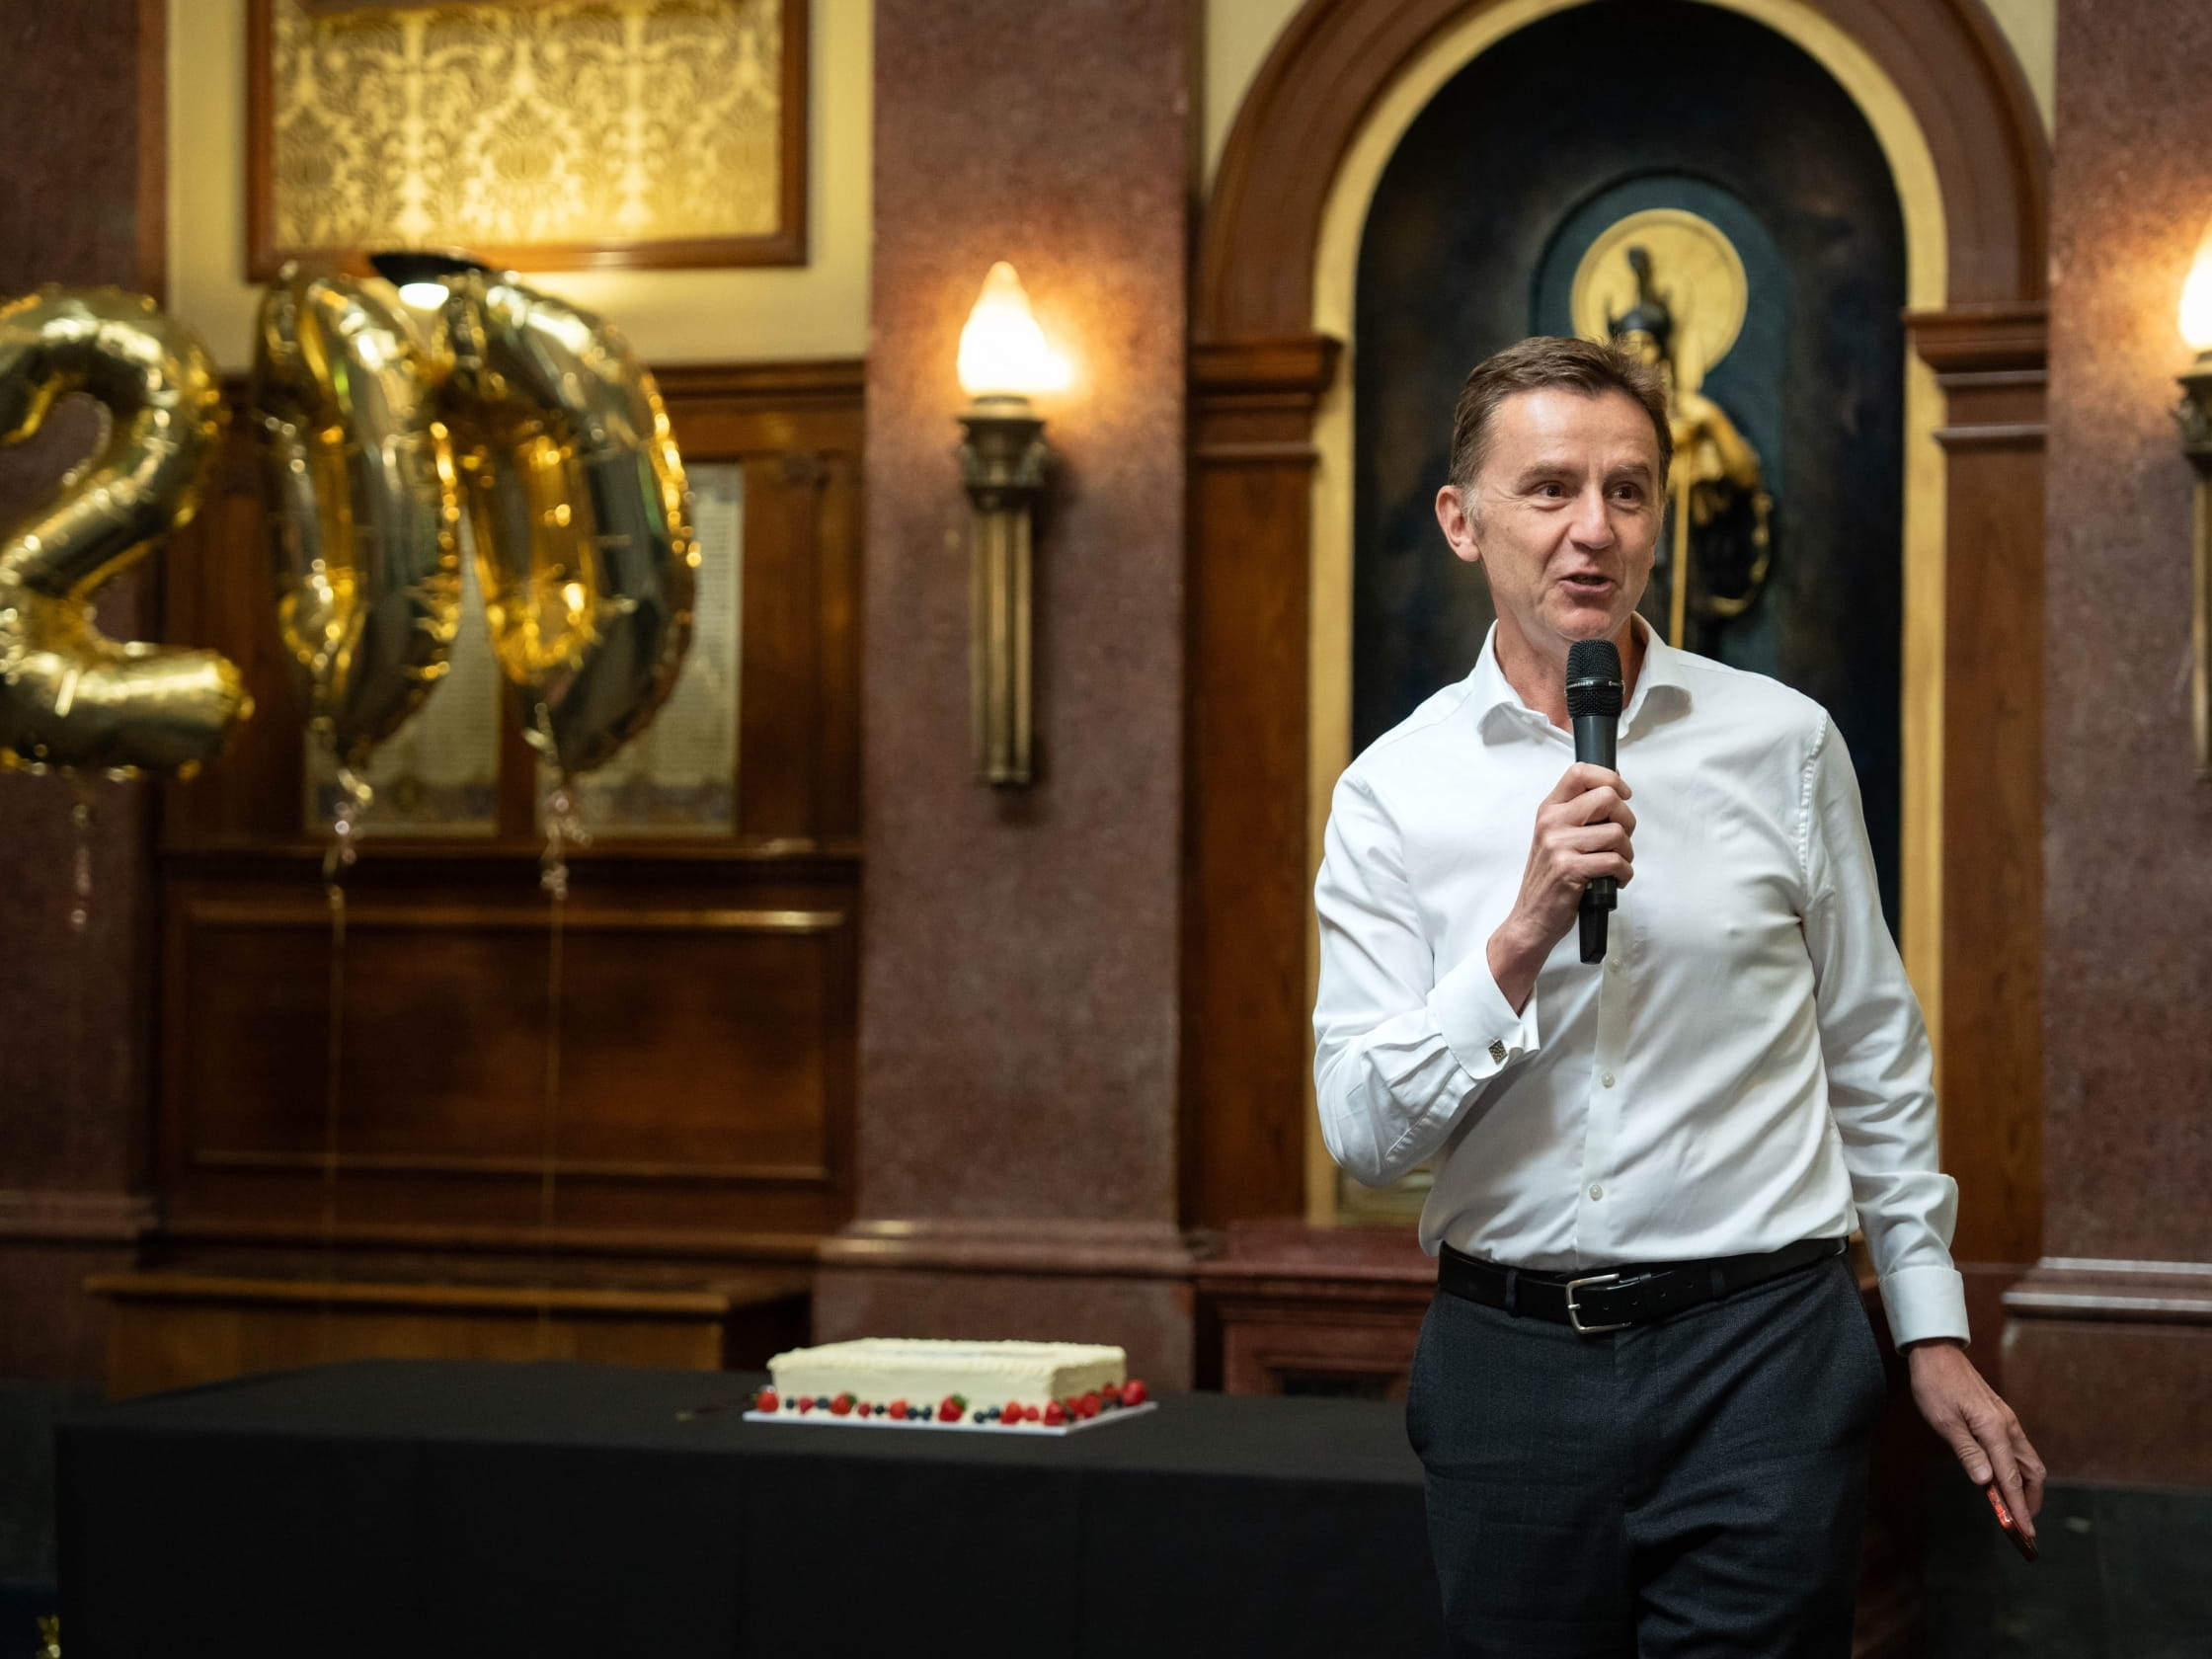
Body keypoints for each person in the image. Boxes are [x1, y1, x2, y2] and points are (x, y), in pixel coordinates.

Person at [1311, 336, 2043, 1657]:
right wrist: (1521, 934)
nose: (1594, 529)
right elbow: (1366, 1134)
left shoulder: (1783, 743)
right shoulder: (1391, 792)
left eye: (1630, 491)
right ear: (1461, 522)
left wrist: (1930, 1330)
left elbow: (1872, 1053)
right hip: (1510, 1369)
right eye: (1549, 490)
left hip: (1762, 1354)